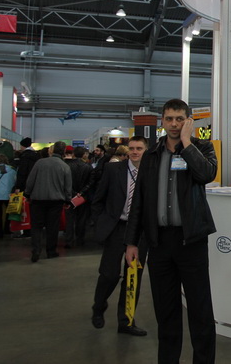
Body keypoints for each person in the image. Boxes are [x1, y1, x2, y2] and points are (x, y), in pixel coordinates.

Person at [125, 99, 218, 364]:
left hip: (191, 241)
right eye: (169, 119)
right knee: (166, 312)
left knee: (200, 310)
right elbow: (139, 201)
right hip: (159, 243)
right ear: (162, 121)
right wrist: (131, 242)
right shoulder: (152, 155)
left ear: (188, 121)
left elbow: (206, 174)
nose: (174, 124)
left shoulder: (201, 148)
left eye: (179, 119)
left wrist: (187, 142)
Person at [91, 136, 149, 336]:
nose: (135, 152)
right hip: (116, 228)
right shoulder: (112, 169)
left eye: (139, 148)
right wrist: (100, 222)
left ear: (146, 150)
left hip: (140, 231)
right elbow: (98, 198)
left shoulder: (151, 172)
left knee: (133, 277)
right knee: (109, 274)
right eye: (132, 148)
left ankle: (126, 321)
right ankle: (99, 306)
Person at [25, 141, 72, 262]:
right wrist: (67, 200)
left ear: (52, 150)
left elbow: (30, 180)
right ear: (64, 151)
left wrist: (27, 194)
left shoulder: (40, 163)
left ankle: (36, 250)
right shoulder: (65, 166)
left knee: (36, 226)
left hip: (37, 199)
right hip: (56, 201)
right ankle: (51, 251)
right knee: (53, 227)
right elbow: (68, 187)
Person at [65, 146, 94, 248]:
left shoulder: (67, 166)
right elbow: (91, 182)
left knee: (69, 219)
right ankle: (80, 239)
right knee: (82, 219)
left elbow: (65, 182)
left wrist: (73, 192)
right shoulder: (88, 167)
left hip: (70, 196)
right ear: (84, 155)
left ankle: (69, 240)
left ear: (73, 154)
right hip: (83, 197)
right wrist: (81, 192)